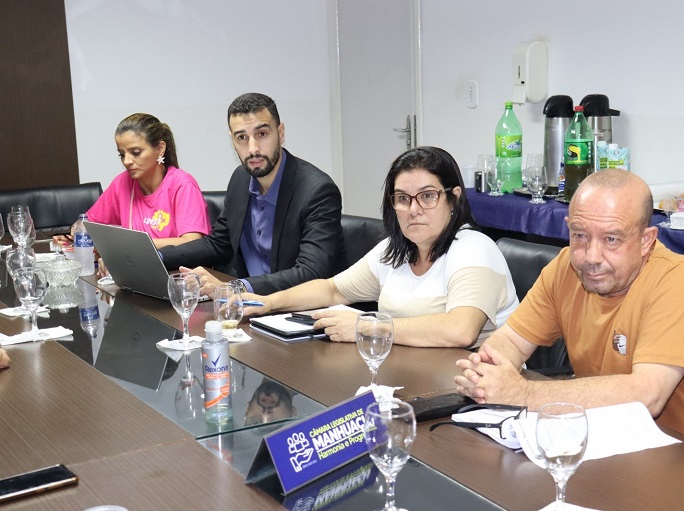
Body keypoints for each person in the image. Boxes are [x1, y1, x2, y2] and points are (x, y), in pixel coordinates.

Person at [455, 169, 684, 445]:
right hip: (602, 438)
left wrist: (521, 394)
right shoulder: (566, 268)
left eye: (611, 239)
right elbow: (511, 341)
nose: (591, 257)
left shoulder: (676, 279)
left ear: (646, 241)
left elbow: (647, 395)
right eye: (580, 235)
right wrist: (487, 373)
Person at [242, 146, 518, 349]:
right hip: (413, 375)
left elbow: (461, 331)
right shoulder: (396, 250)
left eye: (427, 196)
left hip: (479, 387)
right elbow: (332, 290)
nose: (413, 209)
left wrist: (369, 327)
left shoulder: (473, 249)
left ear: (453, 199)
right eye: (403, 198)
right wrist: (269, 302)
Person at [158, 93, 343, 296]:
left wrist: (236, 287)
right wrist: (157, 257)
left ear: (281, 133)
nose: (253, 149)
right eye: (242, 138)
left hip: (294, 307)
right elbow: (219, 244)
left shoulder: (317, 190)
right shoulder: (241, 179)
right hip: (246, 305)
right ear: (232, 140)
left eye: (262, 134)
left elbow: (312, 272)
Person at [56, 113, 211, 250]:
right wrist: (72, 233)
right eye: (122, 154)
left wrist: (130, 244)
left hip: (179, 272)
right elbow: (87, 224)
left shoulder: (183, 185)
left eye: (136, 152)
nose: (127, 161)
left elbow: (192, 243)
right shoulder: (122, 183)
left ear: (160, 149)